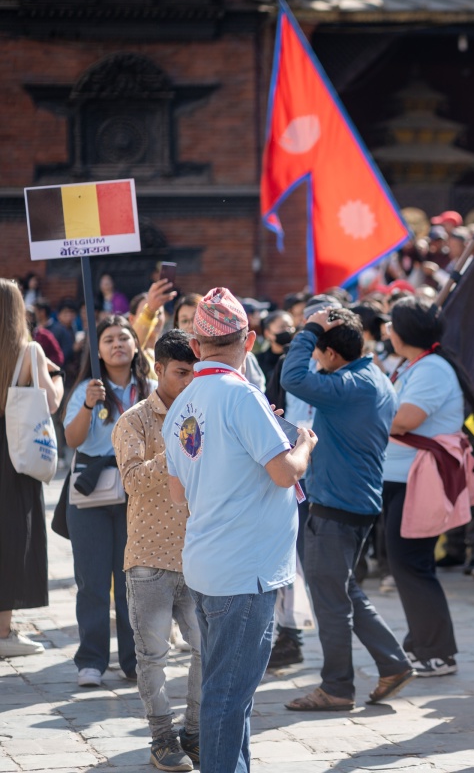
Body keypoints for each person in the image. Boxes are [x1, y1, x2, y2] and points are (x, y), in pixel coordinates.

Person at [164, 288, 316, 773]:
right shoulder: (242, 396)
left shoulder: (181, 406)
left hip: (207, 562)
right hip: (243, 569)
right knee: (227, 698)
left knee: (229, 694)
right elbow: (284, 472)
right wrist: (305, 444)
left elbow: (177, 495)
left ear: (195, 346)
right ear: (247, 340)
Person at [279, 307, 414, 709]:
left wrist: (310, 329)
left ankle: (336, 687)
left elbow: (292, 377)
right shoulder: (373, 379)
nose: (316, 360)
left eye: (319, 352)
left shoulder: (347, 385)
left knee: (330, 598)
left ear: (333, 355)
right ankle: (392, 662)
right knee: (342, 589)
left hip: (336, 504)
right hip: (357, 500)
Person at [112, 330, 201, 771]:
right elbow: (132, 482)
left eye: (195, 372)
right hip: (149, 556)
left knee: (207, 649)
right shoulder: (134, 421)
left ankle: (197, 732)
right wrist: (180, 447)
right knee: (152, 657)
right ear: (160, 369)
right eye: (181, 373)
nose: (189, 381)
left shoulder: (204, 412)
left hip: (201, 554)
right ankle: (162, 738)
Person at [383, 297, 474, 676]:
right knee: (407, 562)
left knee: (412, 563)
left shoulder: (432, 370)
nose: (387, 331)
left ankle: (437, 652)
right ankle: (423, 642)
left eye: (392, 325)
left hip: (417, 478)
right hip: (402, 476)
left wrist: (369, 414)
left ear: (404, 332)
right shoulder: (417, 365)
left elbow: (404, 420)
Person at [63, 314, 152, 687]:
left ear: (135, 345)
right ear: (97, 350)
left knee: (133, 580)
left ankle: (134, 661)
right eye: (108, 340)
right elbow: (72, 439)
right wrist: (87, 405)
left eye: (123, 338)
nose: (117, 344)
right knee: (93, 580)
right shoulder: (88, 387)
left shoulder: (151, 388)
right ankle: (92, 660)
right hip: (91, 495)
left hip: (137, 493)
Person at [0, 280, 62, 658]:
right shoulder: (29, 351)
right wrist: (55, 376)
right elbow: (52, 404)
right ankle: (3, 632)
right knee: (11, 537)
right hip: (15, 453)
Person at [255, 310, 294, 383]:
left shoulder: (297, 357)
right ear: (267, 333)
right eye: (282, 327)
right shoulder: (259, 360)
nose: (288, 330)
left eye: (290, 327)